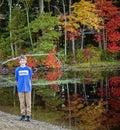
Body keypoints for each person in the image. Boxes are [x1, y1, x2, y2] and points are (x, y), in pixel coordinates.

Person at [15, 55, 33, 121]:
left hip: (28, 88)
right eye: (21, 60)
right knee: (22, 102)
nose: (22, 61)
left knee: (28, 102)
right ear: (19, 62)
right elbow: (16, 78)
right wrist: (20, 84)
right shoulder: (17, 69)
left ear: (26, 61)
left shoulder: (29, 69)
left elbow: (30, 77)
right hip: (20, 88)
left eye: (23, 60)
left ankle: (28, 116)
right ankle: (22, 115)